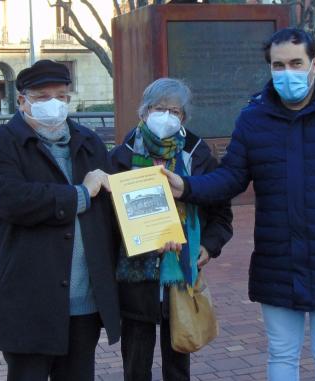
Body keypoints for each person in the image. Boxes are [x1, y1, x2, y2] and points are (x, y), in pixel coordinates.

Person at [162, 29, 315, 381]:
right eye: (278, 64)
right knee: (282, 354)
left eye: (295, 63)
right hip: (279, 259)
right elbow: (231, 178)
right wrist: (186, 186)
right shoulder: (254, 117)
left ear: (314, 64)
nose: (287, 72)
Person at [0, 59, 120, 381]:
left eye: (61, 96)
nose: (53, 104)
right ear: (22, 101)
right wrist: (81, 194)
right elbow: (14, 201)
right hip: (30, 298)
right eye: (42, 97)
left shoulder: (89, 142)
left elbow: (113, 207)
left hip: (85, 300)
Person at [110, 78, 233, 381]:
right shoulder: (121, 156)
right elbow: (107, 219)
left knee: (178, 363)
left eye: (174, 111)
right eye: (158, 108)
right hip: (136, 277)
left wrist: (208, 246)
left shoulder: (198, 154)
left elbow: (220, 212)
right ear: (144, 111)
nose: (165, 116)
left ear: (184, 117)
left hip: (181, 272)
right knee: (136, 364)